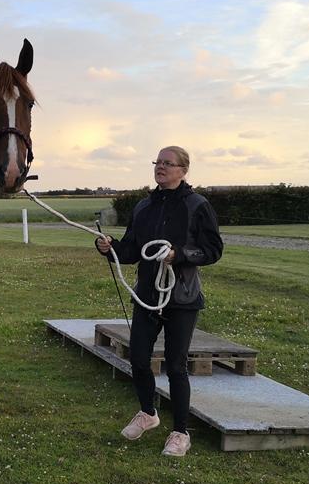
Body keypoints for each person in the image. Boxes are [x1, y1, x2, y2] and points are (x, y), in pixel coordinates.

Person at [96, 146, 223, 456]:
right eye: (158, 162)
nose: (161, 167)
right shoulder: (143, 207)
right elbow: (130, 250)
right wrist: (108, 247)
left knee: (176, 365)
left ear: (183, 170)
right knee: (138, 358)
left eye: (168, 163)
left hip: (182, 297)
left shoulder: (198, 205)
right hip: (147, 296)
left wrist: (179, 255)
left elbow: (213, 249)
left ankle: (180, 433)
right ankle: (148, 414)